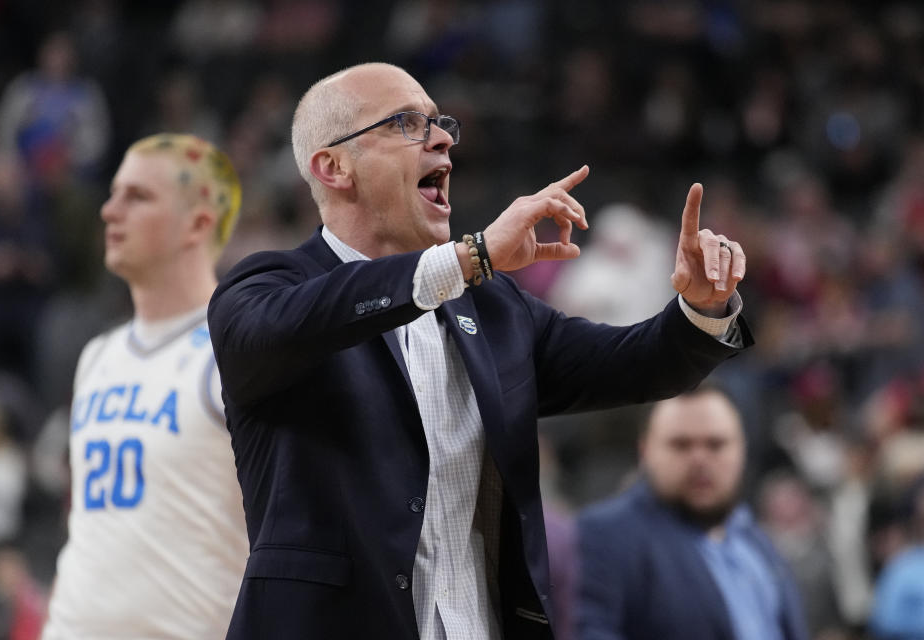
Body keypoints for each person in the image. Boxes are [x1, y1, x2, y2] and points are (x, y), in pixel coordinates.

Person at [207, 62, 751, 640]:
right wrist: (472, 258)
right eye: (406, 124)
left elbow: (632, 363)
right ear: (334, 167)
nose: (442, 137)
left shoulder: (492, 309)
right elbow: (297, 324)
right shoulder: (266, 288)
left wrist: (701, 307)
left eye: (438, 123)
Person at [41, 133, 249, 639]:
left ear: (198, 222)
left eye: (137, 197)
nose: (109, 212)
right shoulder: (97, 355)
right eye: (113, 194)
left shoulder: (236, 349)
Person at [576, 385, 808, 640]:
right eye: (681, 445)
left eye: (716, 444)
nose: (699, 459)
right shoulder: (606, 537)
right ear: (644, 452)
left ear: (742, 449)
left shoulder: (755, 540)